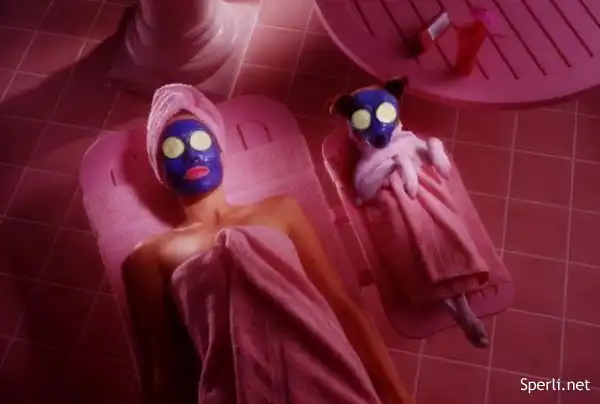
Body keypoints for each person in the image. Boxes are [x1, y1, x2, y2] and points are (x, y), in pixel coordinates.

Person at [122, 88, 411, 404]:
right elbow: (166, 369)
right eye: (174, 149)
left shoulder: (280, 211)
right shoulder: (149, 257)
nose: (192, 156)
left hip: (326, 373)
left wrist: (396, 393)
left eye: (201, 142)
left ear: (219, 149)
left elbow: (340, 305)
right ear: (161, 169)